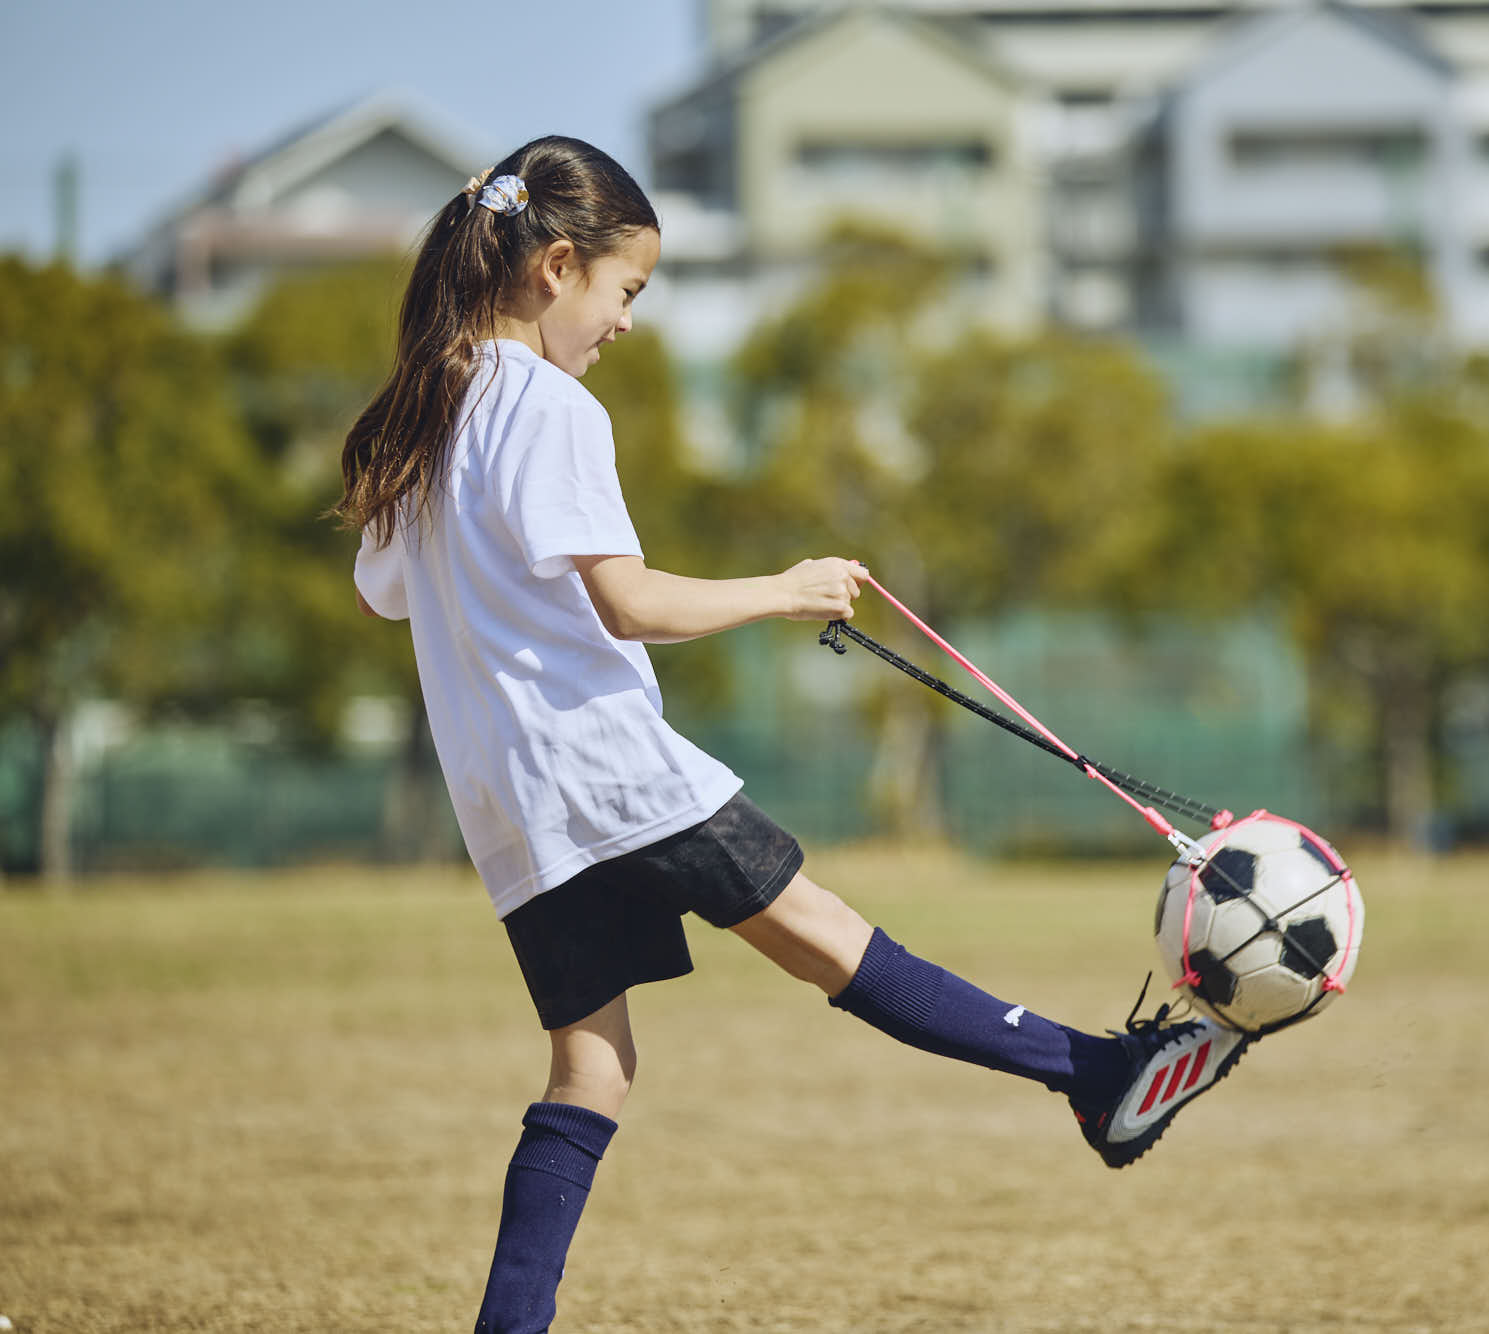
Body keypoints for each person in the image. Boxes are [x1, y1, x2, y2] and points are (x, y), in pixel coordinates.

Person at [335, 136, 1249, 1333]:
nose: (624, 323)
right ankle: (1094, 1076)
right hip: (609, 772)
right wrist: (790, 586)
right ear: (556, 265)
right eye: (627, 292)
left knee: (591, 1068)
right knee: (831, 938)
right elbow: (631, 602)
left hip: (512, 806)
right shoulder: (550, 407)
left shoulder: (430, 411)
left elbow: (385, 590)